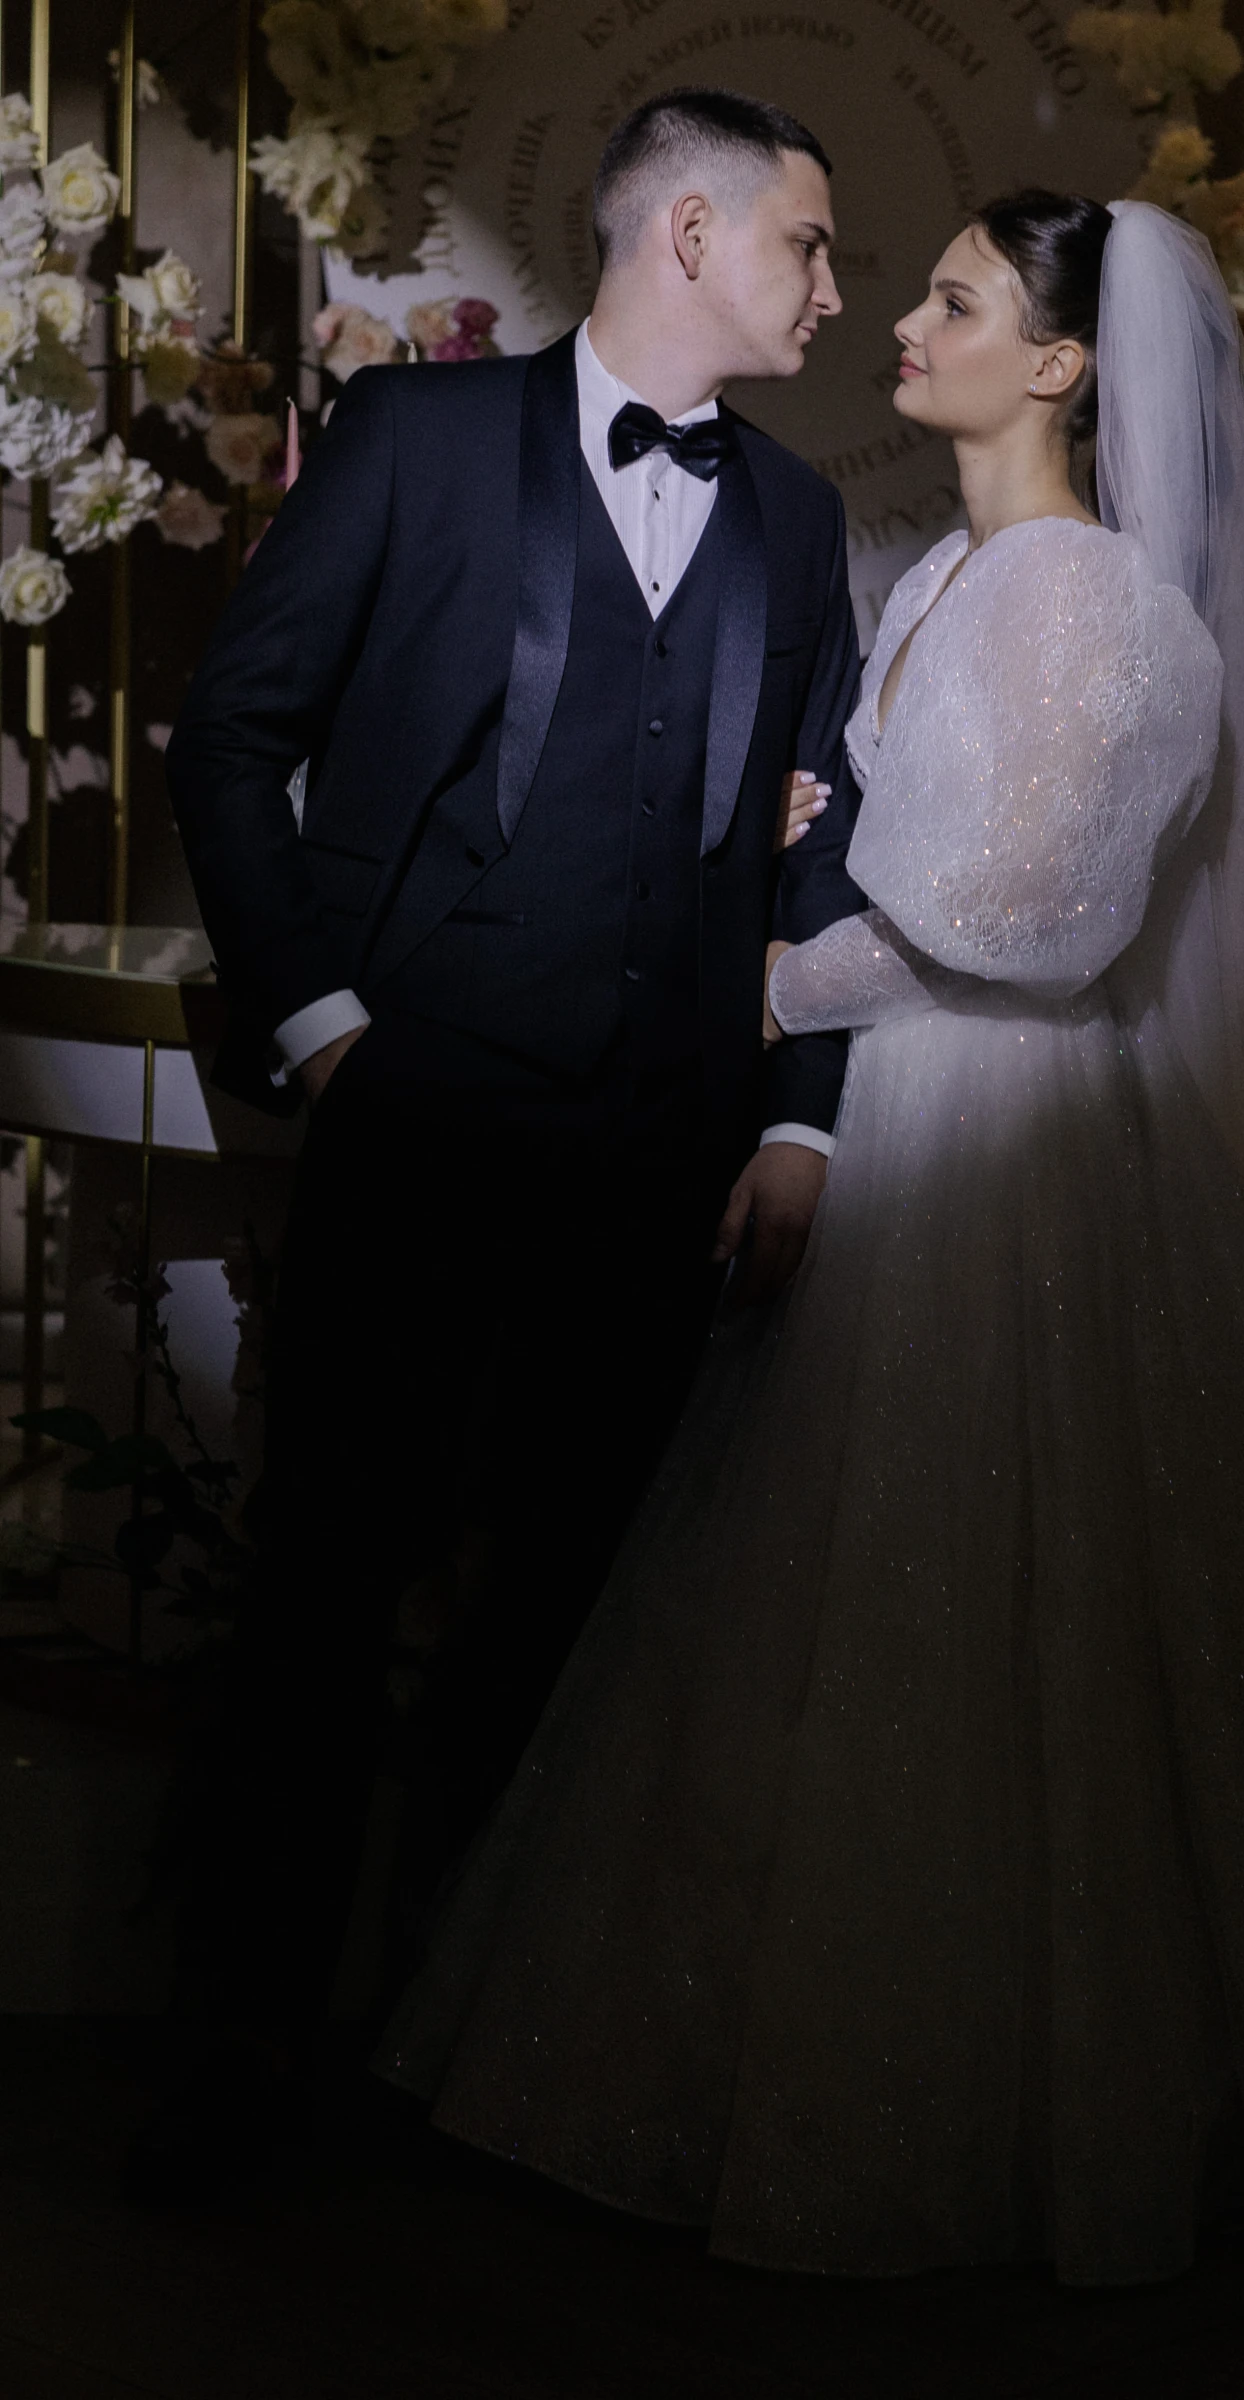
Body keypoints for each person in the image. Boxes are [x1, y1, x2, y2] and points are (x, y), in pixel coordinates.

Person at [384, 194, 1244, 2283]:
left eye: (951, 299)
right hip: (889, 1126)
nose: (900, 322)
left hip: (1010, 1142)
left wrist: (756, 983)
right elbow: (902, 844)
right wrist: (815, 861)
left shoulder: (1104, 605)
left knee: (1007, 1607)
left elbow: (1033, 922)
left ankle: (1036, 2095)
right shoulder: (941, 572)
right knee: (828, 1608)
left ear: (1055, 363)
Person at [143, 86, 863, 2194]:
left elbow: (818, 851)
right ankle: (237, 2078)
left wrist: (800, 1124)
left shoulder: (799, 515)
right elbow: (235, 733)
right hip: (419, 1125)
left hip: (660, 1159)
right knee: (322, 1600)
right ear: (692, 236)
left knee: (558, 1625)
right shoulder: (419, 441)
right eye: (810, 244)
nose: (834, 289)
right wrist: (327, 1029)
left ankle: (469, 2074)